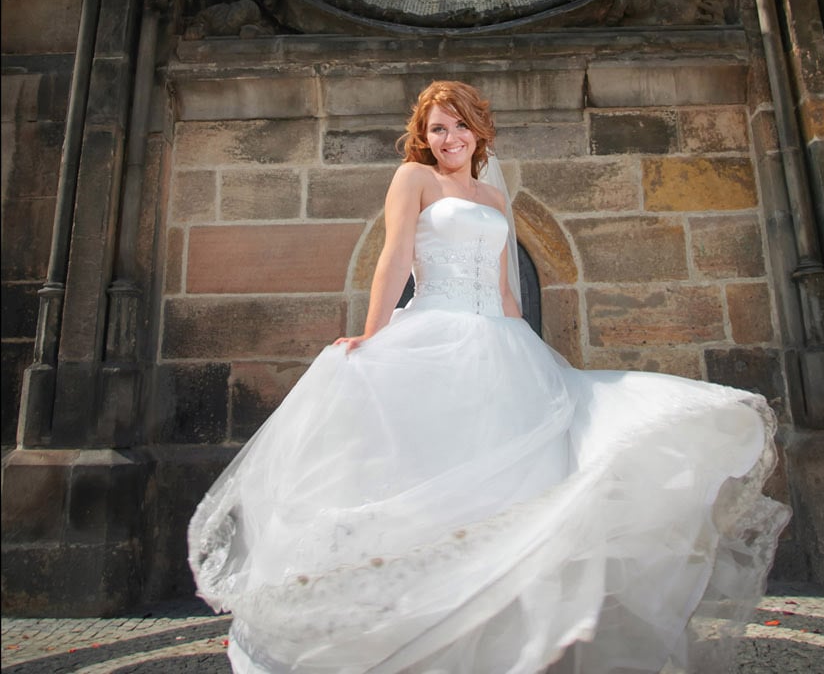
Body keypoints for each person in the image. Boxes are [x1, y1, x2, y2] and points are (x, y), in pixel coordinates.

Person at [188, 81, 789, 673]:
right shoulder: (413, 179)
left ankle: (499, 639)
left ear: (479, 130)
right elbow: (395, 256)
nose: (449, 138)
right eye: (437, 129)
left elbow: (504, 291)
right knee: (433, 476)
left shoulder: (495, 199)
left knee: (527, 478)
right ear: (424, 137)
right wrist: (373, 336)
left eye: (459, 125)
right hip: (434, 332)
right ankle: (404, 632)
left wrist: (531, 355)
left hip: (497, 343)